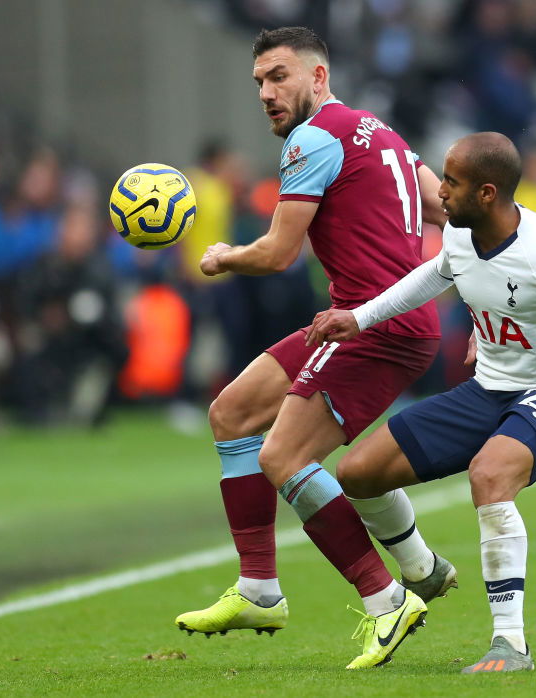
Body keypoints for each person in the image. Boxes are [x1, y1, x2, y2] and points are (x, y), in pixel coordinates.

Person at [307, 132, 536, 674]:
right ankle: (424, 570)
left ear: (487, 193)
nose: (440, 192)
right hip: (488, 389)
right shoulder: (460, 236)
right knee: (359, 472)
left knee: (489, 474)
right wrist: (358, 318)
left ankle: (511, 643)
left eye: (452, 182)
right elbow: (430, 278)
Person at [175, 26, 454, 669]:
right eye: (259, 83)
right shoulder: (379, 132)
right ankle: (259, 589)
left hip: (370, 328)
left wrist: (222, 258)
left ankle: (386, 600)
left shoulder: (312, 138)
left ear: (318, 76)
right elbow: (445, 204)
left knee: (284, 456)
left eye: (279, 77)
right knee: (233, 412)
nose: (268, 93)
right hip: (366, 322)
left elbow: (276, 255)